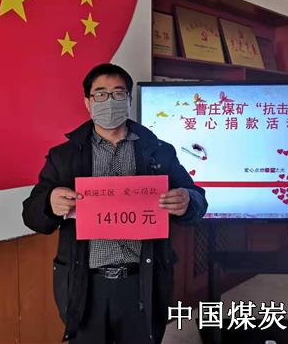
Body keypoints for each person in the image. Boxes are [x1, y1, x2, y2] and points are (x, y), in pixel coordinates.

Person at [22, 63, 207, 344]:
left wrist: (187, 201)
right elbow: (32, 215)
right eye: (100, 94)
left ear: (129, 100)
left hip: (143, 282)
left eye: (119, 93)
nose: (110, 101)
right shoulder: (65, 156)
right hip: (86, 286)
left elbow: (198, 200)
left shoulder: (158, 151)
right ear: (88, 102)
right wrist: (50, 203)